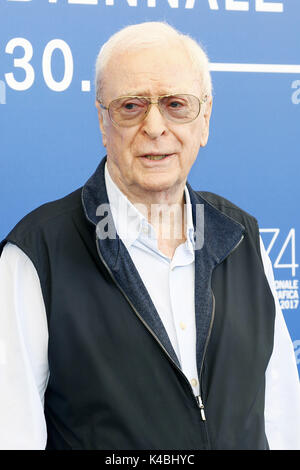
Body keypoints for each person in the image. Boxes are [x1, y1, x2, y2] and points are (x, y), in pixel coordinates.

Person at [0, 21, 300, 451]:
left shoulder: (242, 238)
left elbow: (282, 419)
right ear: (103, 122)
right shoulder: (35, 255)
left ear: (205, 119)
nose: (155, 126)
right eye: (131, 106)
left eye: (176, 104)